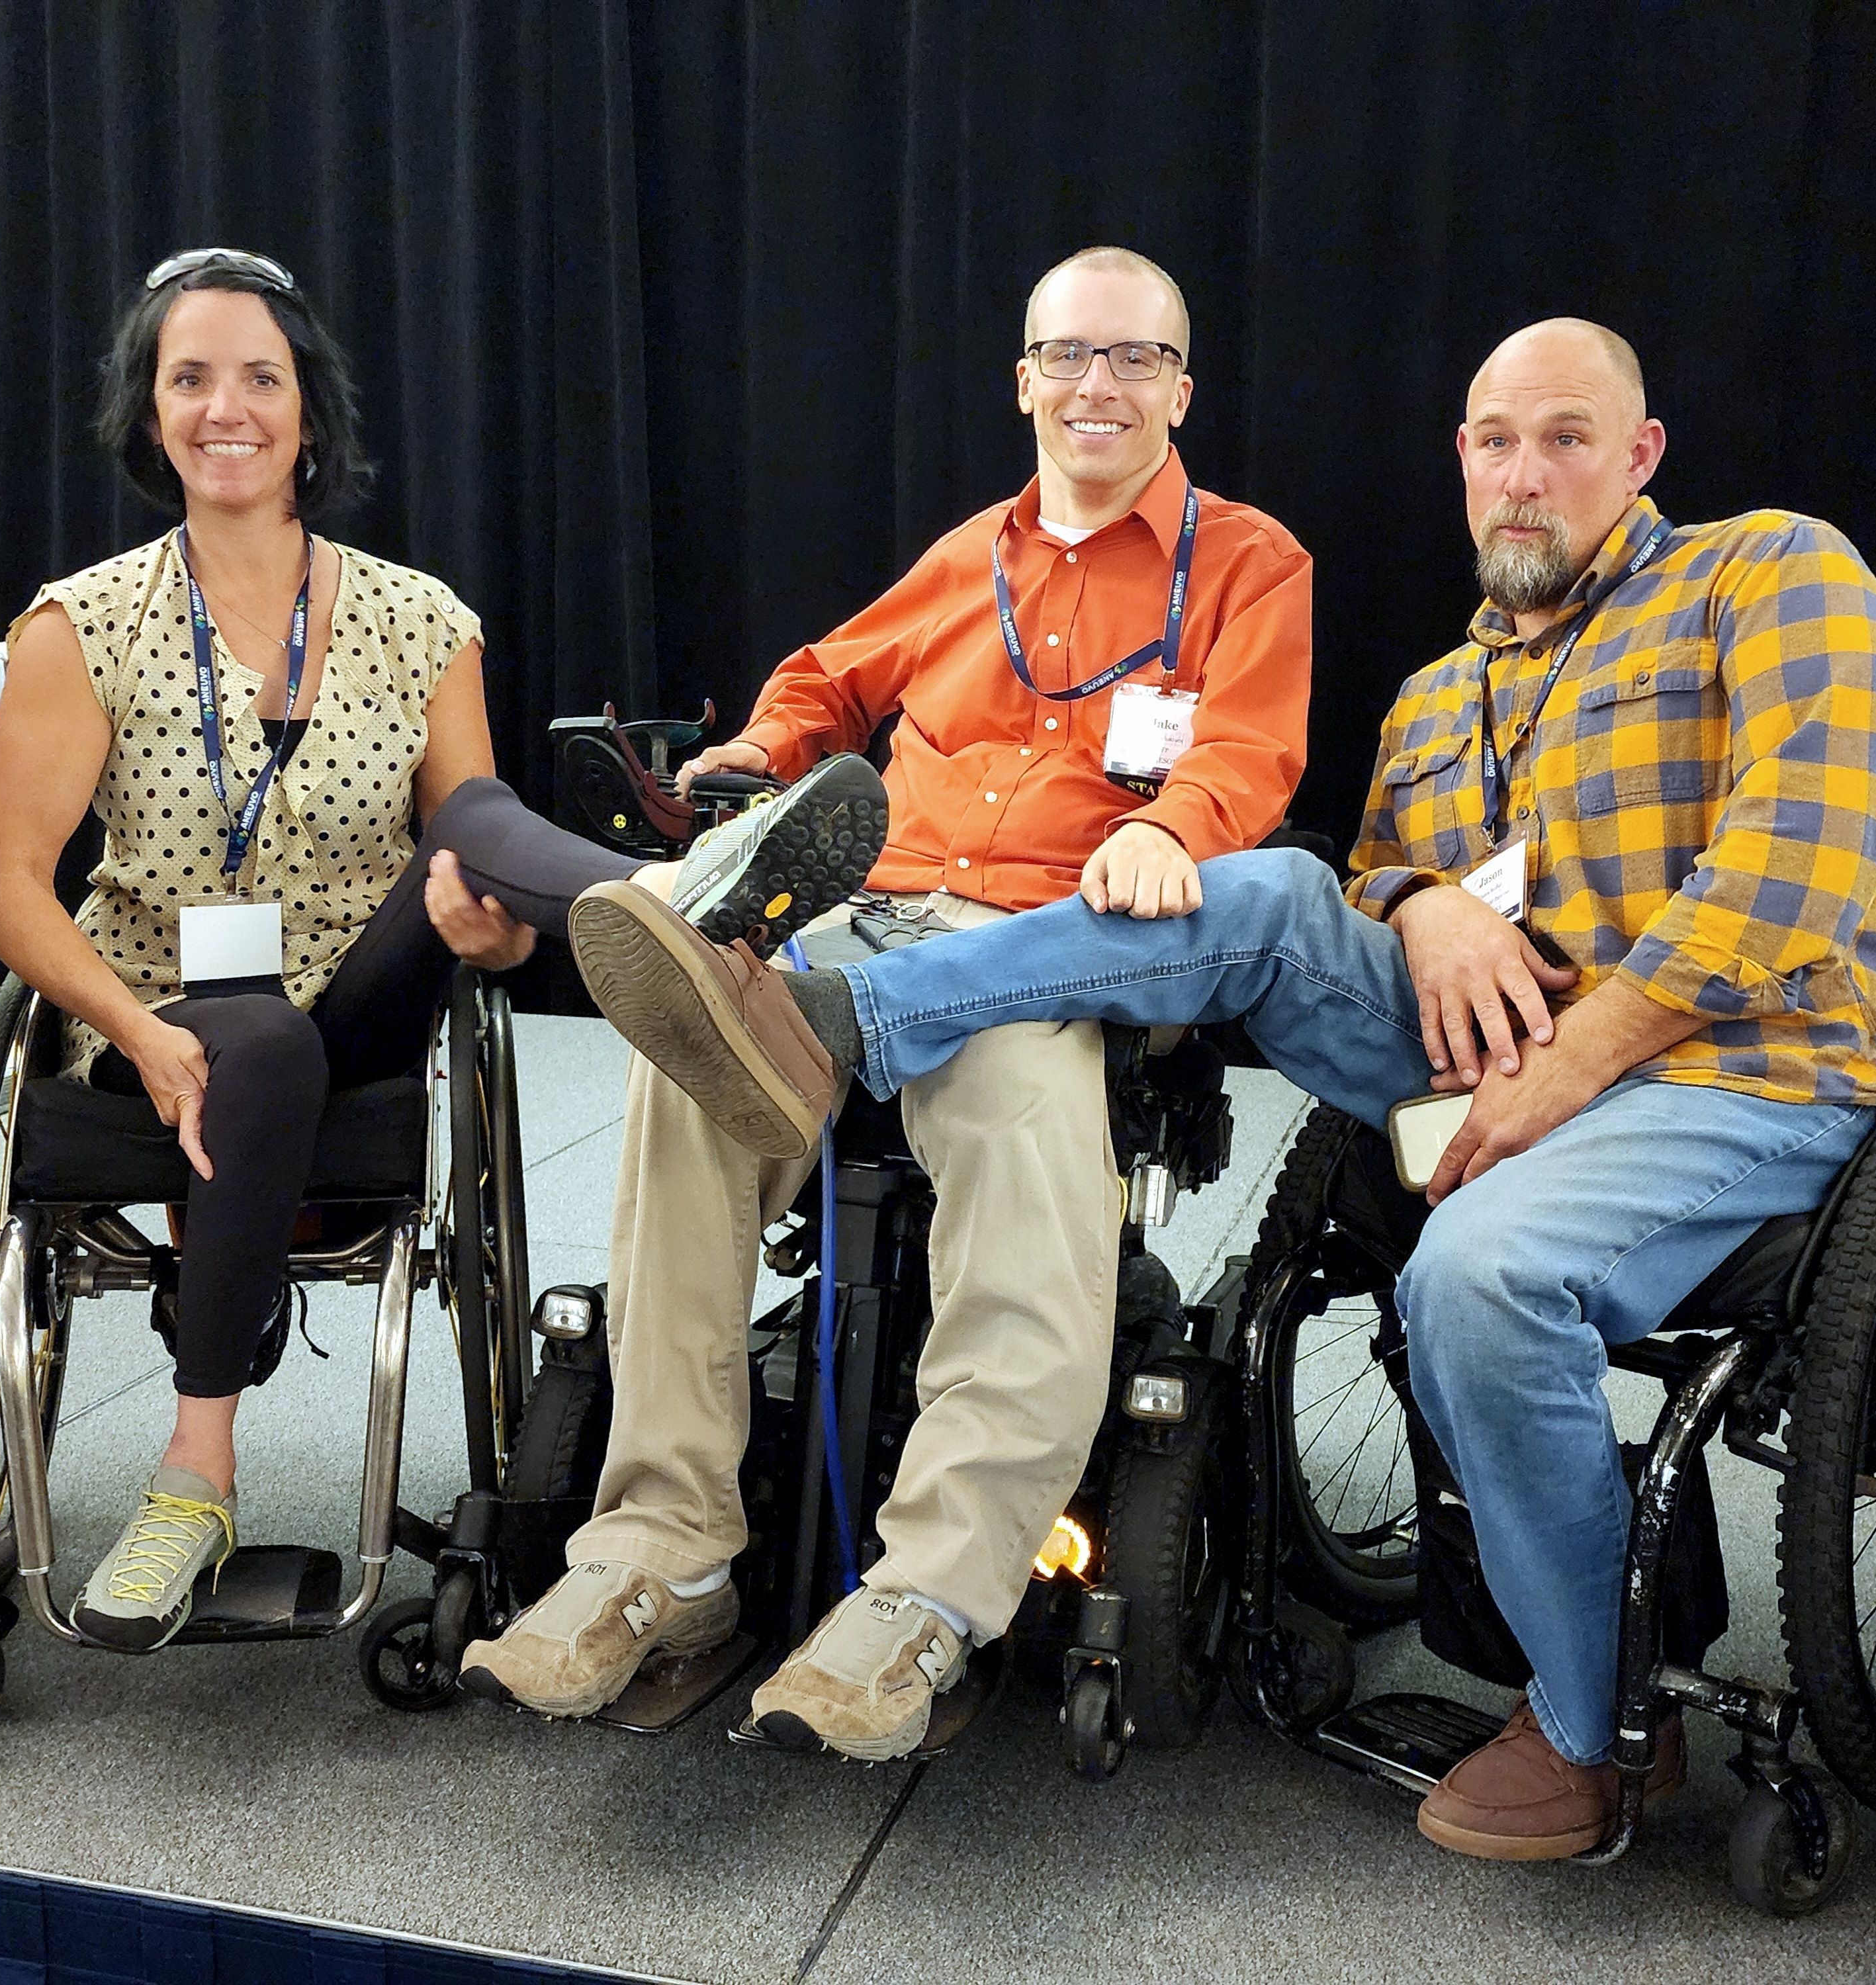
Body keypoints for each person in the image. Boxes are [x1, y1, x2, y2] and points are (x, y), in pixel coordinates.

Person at [564, 317, 1876, 1849]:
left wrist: (1577, 1061)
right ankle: (832, 1017)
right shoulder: (1443, 693)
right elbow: (1373, 872)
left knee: (1476, 1277)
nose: (1523, 476)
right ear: (1461, 464)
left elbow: (1803, 863)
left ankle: (1591, 1728)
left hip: (1750, 1068)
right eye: (1494, 443)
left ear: (1639, 458)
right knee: (1274, 895)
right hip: (1492, 1045)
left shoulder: (1768, 575)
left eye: (1565, 440)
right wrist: (1418, 902)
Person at [459, 245, 1314, 1757]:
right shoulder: (965, 555)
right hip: (876, 906)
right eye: (1069, 356)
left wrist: (1164, 827)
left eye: (1133, 360)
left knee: (1012, 1094)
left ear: (1181, 387)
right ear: (1023, 381)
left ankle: (931, 1591)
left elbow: (1246, 756)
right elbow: (825, 678)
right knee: (684, 1079)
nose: (1097, 386)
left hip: (1058, 940)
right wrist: (762, 752)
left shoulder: (1249, 563)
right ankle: (665, 1551)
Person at [0, 247, 885, 1653]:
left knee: (469, 818)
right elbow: (4, 893)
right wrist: (142, 1032)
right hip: (161, 1009)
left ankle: (682, 901)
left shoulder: (417, 619)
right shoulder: (80, 626)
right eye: (189, 378)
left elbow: (481, 883)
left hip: (361, 994)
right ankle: (193, 1478)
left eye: (259, 378)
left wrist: (495, 933)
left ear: (309, 416)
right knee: (253, 1034)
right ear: (150, 420)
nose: (227, 406)